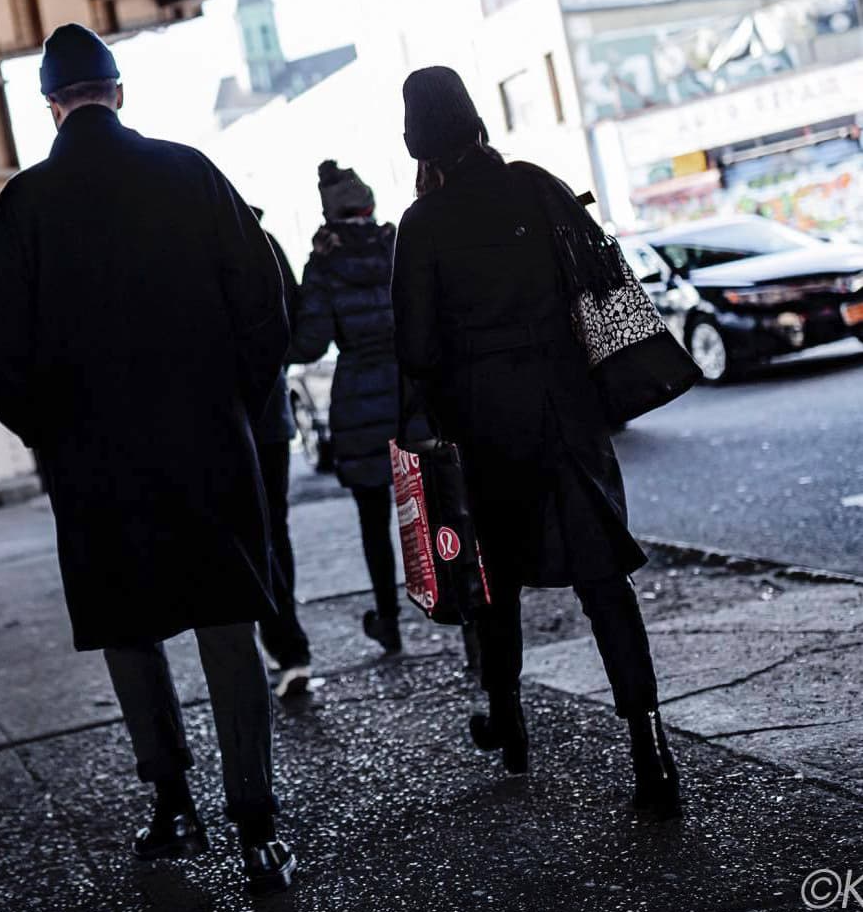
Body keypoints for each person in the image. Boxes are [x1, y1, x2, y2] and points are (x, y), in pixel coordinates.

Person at [0, 24, 296, 896]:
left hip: (92, 459)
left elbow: (3, 360)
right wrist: (232, 402)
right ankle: (256, 824)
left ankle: (172, 803)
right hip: (206, 441)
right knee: (226, 624)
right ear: (117, 92)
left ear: (51, 106)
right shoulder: (190, 172)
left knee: (129, 627)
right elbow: (264, 308)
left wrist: (55, 435)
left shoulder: (24, 204)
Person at [390, 66, 680, 820]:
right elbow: (598, 272)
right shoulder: (534, 185)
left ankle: (507, 719)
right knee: (602, 579)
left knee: (493, 580)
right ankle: (649, 746)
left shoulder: (422, 224)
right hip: (564, 407)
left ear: (416, 139)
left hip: (481, 424)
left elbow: (415, 349)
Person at [287, 161, 403, 655]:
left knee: (374, 522)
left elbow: (310, 344)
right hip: (412, 392)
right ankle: (466, 621)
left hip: (358, 400)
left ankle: (389, 622)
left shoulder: (325, 265)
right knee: (437, 506)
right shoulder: (397, 246)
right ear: (369, 205)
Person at [250, 209, 313, 699]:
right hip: (270, 410)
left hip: (230, 417)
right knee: (274, 527)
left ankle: (284, 641)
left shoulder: (185, 247)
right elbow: (293, 321)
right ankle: (285, 640)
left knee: (254, 532)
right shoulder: (263, 241)